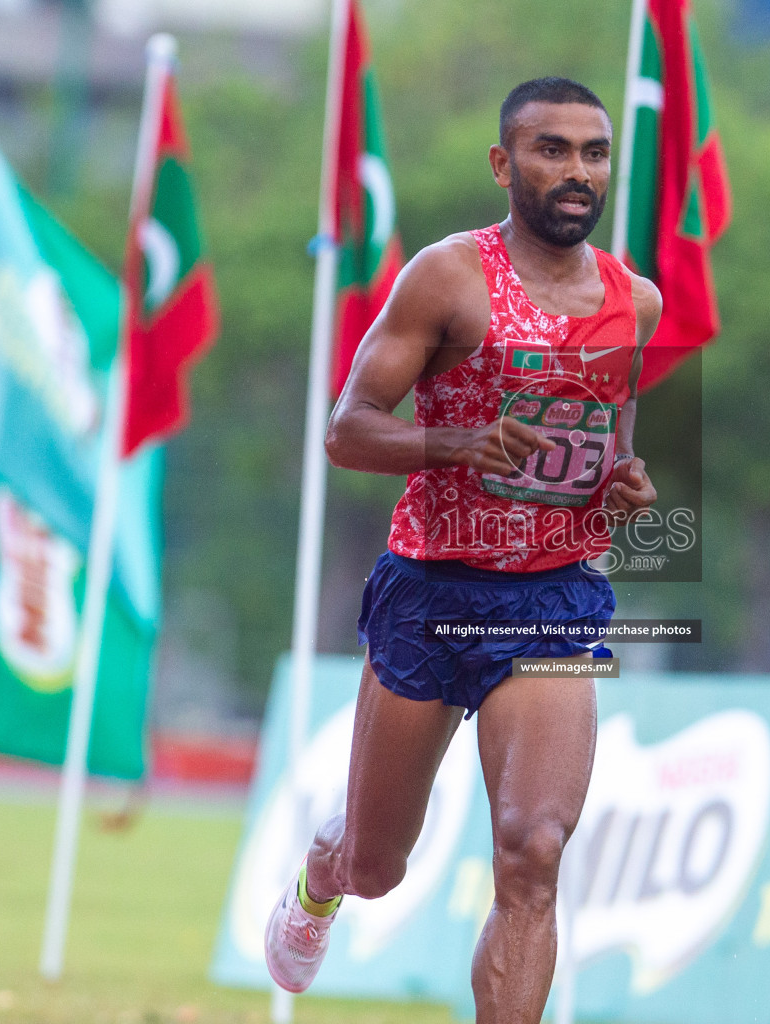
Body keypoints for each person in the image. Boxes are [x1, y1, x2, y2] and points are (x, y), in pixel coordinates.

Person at [263, 76, 661, 1024]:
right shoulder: (448, 277)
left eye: (593, 153)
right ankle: (325, 867)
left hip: (554, 599)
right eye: (551, 149)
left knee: (534, 852)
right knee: (376, 865)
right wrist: (455, 443)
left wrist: (624, 485)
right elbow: (347, 430)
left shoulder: (633, 302)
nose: (576, 172)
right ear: (503, 163)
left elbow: (609, 447)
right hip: (432, 590)